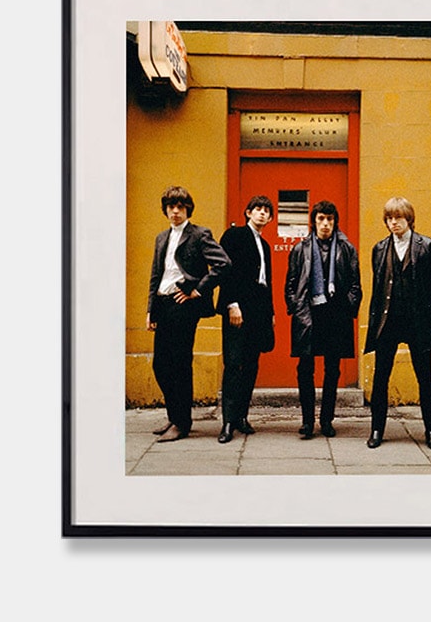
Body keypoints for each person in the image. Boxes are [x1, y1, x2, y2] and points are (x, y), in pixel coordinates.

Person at [146, 186, 231, 442]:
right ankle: (175, 416)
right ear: (166, 210)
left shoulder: (199, 234)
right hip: (162, 304)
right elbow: (155, 275)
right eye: (171, 207)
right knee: (160, 365)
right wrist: (150, 309)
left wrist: (197, 289)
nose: (175, 211)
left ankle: (181, 423)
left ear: (187, 209)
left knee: (179, 364)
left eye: (180, 207)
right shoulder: (162, 238)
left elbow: (223, 264)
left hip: (182, 305)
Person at [364, 196, 431, 450]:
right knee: (381, 378)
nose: (393, 222)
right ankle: (377, 429)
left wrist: (427, 311)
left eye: (398, 217)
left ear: (408, 218)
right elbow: (378, 288)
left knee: (425, 378)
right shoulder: (379, 249)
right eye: (389, 218)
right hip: (387, 322)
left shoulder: (428, 246)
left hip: (417, 322)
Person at [285, 201, 362, 439]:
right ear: (314, 221)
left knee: (332, 370)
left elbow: (355, 284)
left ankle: (326, 420)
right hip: (308, 315)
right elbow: (290, 283)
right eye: (321, 219)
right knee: (305, 369)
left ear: (334, 221)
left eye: (329, 219)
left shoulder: (346, 248)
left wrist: (347, 307)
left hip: (335, 315)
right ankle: (307, 422)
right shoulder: (301, 248)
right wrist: (297, 308)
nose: (325, 224)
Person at [215, 195, 275, 443]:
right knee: (233, 363)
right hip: (238, 309)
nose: (262, 213)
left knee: (251, 365)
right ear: (248, 212)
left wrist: (270, 313)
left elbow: (266, 282)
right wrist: (231, 304)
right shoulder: (234, 236)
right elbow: (226, 272)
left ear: (270, 218)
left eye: (266, 211)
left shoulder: (266, 245)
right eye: (258, 209)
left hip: (259, 311)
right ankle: (228, 422)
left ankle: (241, 416)